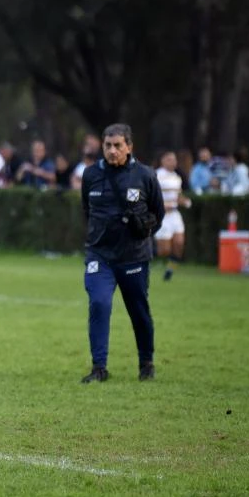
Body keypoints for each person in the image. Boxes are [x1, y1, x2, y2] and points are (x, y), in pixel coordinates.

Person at [80, 124, 164, 383]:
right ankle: (99, 368)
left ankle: (146, 362)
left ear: (129, 147)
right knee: (99, 303)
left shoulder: (145, 175)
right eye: (108, 145)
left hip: (134, 257)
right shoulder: (91, 174)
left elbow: (157, 215)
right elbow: (87, 211)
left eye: (118, 145)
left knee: (138, 310)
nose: (112, 151)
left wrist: (142, 229)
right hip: (100, 255)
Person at [154, 151, 191, 281]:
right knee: (164, 250)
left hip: (175, 215)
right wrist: (161, 205)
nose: (173, 162)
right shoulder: (156, 175)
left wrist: (184, 201)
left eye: (174, 159)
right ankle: (146, 252)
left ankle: (169, 271)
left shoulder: (177, 177)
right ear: (162, 161)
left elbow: (178, 196)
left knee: (179, 244)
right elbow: (151, 197)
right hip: (162, 216)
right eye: (169, 159)